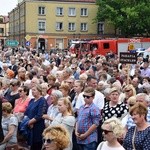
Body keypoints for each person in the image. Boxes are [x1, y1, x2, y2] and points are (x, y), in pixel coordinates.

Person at [23, 84, 48, 150]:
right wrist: (28, 121)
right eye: (32, 90)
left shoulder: (42, 100)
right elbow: (26, 112)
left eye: (34, 90)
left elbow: (40, 115)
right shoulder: (31, 100)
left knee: (36, 145)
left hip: (37, 126)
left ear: (39, 91)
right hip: (29, 126)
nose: (32, 91)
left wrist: (30, 122)